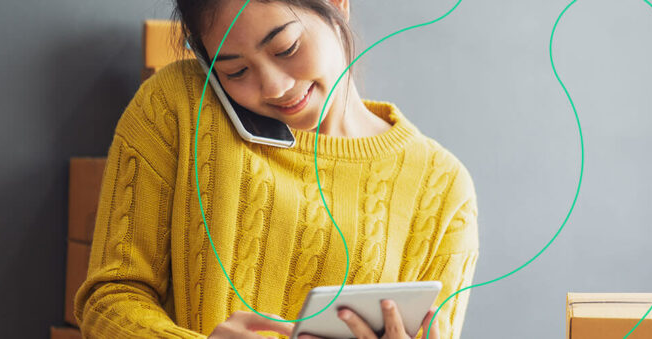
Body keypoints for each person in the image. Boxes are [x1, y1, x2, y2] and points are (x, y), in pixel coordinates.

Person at [72, 0, 480, 338]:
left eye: (285, 48)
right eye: (235, 71)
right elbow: (108, 300)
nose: (274, 87)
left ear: (337, 4)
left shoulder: (442, 186)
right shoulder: (177, 105)